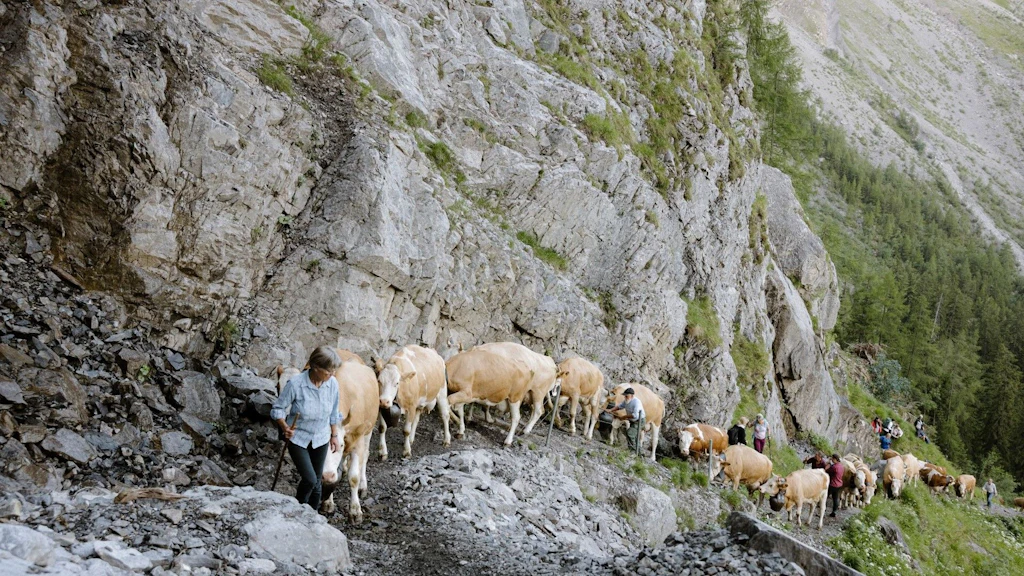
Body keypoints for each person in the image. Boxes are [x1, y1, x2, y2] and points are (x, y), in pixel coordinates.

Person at [270, 346, 342, 510]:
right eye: (328, 371)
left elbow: (334, 412)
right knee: (310, 479)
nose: (332, 375)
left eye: (334, 371)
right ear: (315, 367)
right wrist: (284, 426)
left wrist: (334, 436)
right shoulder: (296, 384)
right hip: (298, 438)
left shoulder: (332, 384)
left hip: (321, 437)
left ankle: (313, 517)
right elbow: (277, 409)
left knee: (317, 483)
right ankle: (298, 509)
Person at [605, 387, 645, 452]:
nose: (625, 397)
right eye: (625, 396)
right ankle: (637, 452)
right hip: (632, 421)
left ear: (632, 396)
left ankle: (634, 451)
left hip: (639, 420)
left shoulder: (636, 402)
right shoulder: (626, 401)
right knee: (633, 436)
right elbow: (619, 406)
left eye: (627, 396)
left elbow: (635, 415)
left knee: (630, 433)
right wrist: (610, 410)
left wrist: (624, 417)